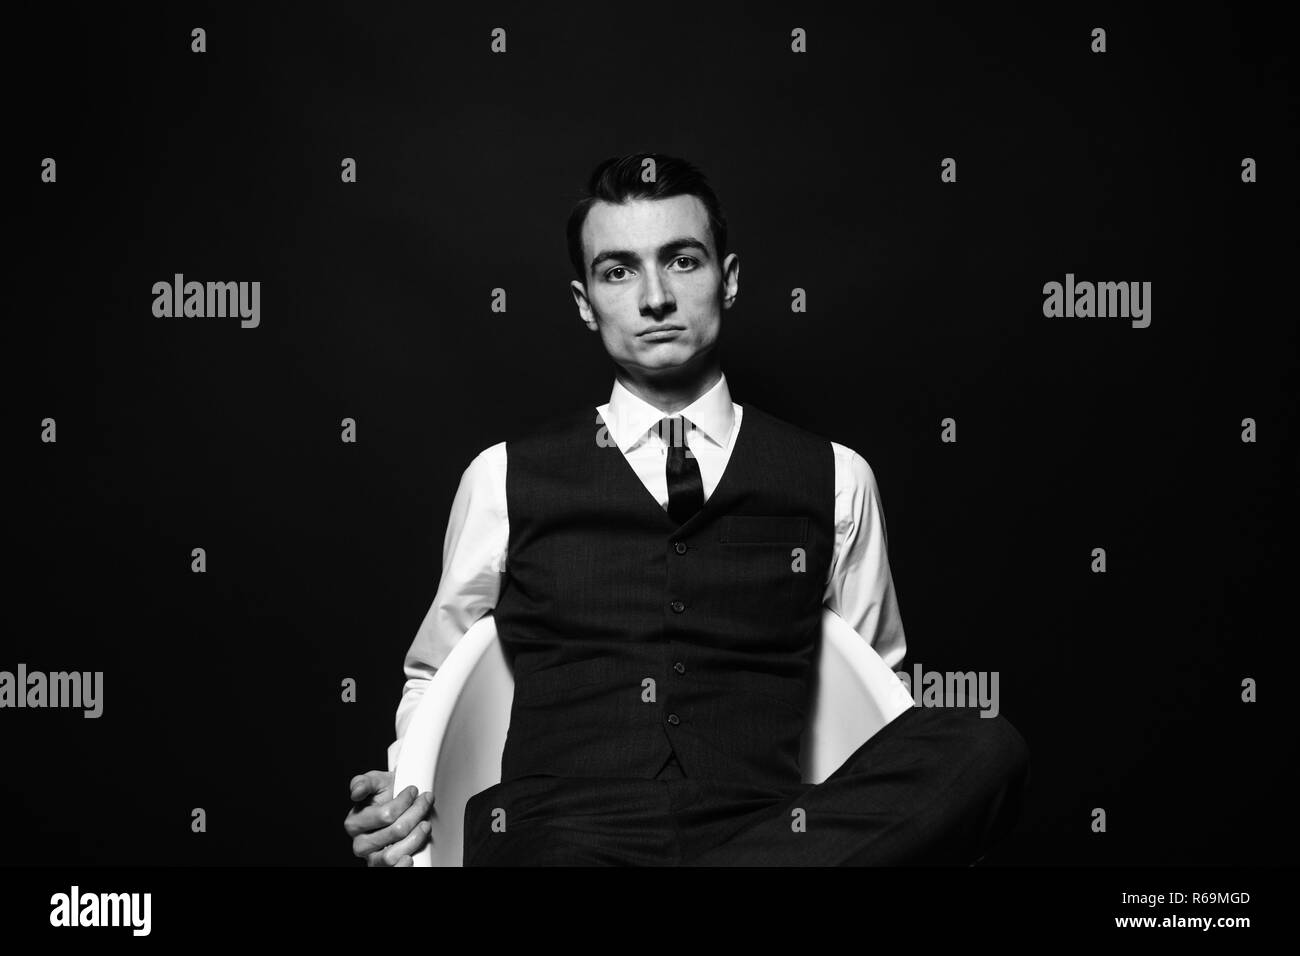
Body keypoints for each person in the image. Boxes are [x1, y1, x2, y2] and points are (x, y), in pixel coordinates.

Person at [344, 153, 1029, 866]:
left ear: (727, 280)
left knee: (984, 748)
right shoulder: (504, 476)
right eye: (618, 271)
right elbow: (436, 673)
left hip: (763, 836)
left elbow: (874, 705)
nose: (655, 298)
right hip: (564, 835)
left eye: (681, 261)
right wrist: (406, 782)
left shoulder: (835, 477)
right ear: (585, 303)